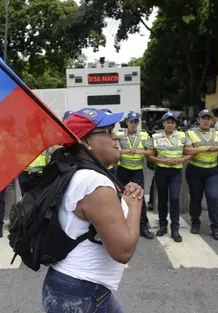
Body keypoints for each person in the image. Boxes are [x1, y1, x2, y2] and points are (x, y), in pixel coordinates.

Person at [41, 108, 143, 313]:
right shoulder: (94, 183)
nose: (116, 136)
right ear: (86, 142)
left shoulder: (75, 172)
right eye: (107, 131)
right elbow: (123, 251)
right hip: (82, 292)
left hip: (73, 287)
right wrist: (134, 206)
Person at [145, 111, 191, 242]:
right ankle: (163, 225)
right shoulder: (155, 136)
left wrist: (182, 160)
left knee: (175, 199)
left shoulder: (182, 136)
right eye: (167, 122)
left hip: (176, 172)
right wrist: (161, 161)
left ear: (175, 124)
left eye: (172, 122)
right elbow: (149, 155)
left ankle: (175, 228)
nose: (170, 125)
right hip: (161, 171)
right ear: (163, 123)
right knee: (163, 199)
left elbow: (190, 152)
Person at [184, 109, 218, 240]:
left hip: (212, 171)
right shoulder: (190, 133)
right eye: (203, 118)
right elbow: (186, 149)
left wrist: (217, 148)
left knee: (214, 198)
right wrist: (201, 149)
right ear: (199, 120)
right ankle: (195, 222)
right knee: (196, 198)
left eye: (208, 118)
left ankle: (216, 227)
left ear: (212, 121)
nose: (206, 121)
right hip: (195, 170)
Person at [115, 111, 154, 239]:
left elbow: (151, 152)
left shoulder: (144, 135)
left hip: (137, 169)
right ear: (127, 122)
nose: (133, 124)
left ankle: (143, 226)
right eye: (131, 121)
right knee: (120, 196)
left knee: (139, 197)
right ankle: (121, 225)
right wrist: (127, 151)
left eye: (136, 122)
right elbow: (115, 150)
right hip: (123, 169)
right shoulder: (119, 134)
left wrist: (141, 151)